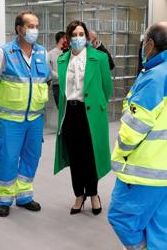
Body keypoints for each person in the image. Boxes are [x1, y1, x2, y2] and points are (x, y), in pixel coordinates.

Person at [108, 22, 167, 250]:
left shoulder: (155, 77)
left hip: (145, 171)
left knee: (121, 217)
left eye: (144, 43)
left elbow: (133, 130)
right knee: (159, 226)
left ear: (150, 44)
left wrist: (121, 153)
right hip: (163, 172)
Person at [0, 11, 51, 217]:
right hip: (11, 120)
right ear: (19, 29)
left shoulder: (42, 53)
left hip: (35, 119)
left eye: (36, 26)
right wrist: (9, 102)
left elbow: (45, 81)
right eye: (30, 26)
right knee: (8, 157)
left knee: (32, 156)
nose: (34, 30)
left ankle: (24, 196)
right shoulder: (3, 53)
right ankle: (4, 199)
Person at [54, 20, 112, 215]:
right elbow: (62, 89)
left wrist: (97, 105)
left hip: (91, 113)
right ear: (68, 38)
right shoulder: (63, 60)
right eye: (74, 35)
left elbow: (107, 89)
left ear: (87, 37)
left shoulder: (99, 58)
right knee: (75, 156)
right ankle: (79, 194)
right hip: (70, 113)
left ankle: (94, 194)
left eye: (81, 34)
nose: (78, 38)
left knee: (91, 156)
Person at [48, 31, 66, 108]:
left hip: (69, 85)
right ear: (62, 39)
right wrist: (59, 76)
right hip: (57, 85)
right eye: (66, 38)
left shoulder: (68, 53)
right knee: (61, 109)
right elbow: (49, 70)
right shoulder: (50, 54)